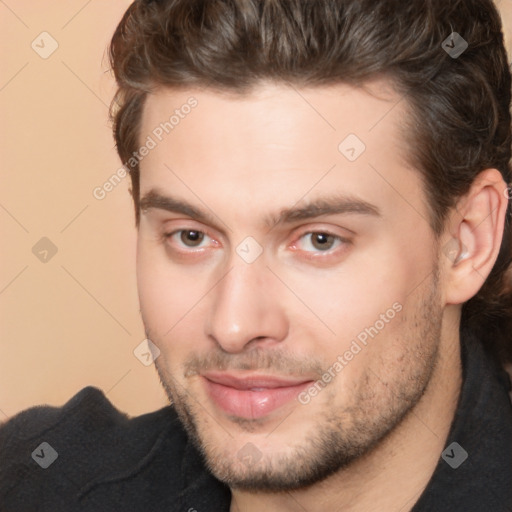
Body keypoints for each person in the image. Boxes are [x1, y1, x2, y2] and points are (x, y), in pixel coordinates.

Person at [1, 0, 512, 510]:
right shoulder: (37, 486)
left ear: (467, 241)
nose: (234, 326)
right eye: (191, 236)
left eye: (319, 240)